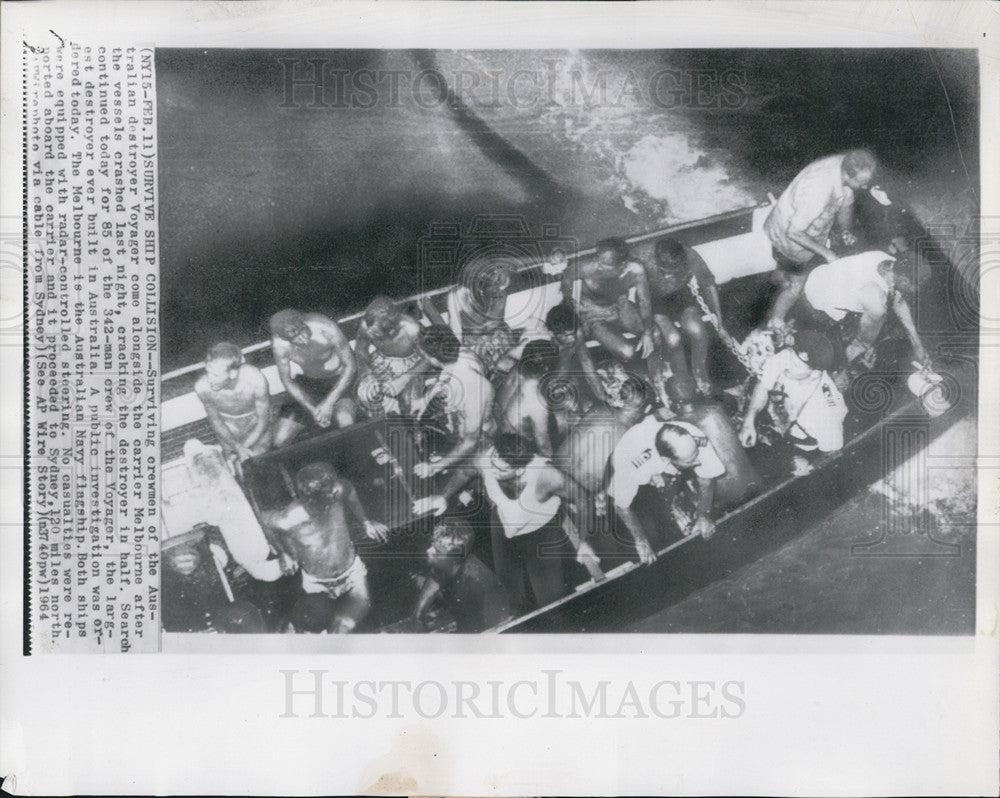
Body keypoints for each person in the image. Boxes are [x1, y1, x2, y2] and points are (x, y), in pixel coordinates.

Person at [479, 433, 602, 613]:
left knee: (552, 602)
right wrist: (442, 496)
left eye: (501, 470)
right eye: (492, 463)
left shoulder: (548, 476)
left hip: (540, 533)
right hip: (503, 526)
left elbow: (583, 500)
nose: (492, 470)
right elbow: (464, 472)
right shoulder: (489, 458)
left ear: (520, 470)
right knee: (511, 599)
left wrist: (584, 542)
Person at [262, 462, 387, 633]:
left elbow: (348, 490)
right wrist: (283, 552)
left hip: (351, 573)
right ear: (307, 497)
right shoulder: (290, 517)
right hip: (317, 584)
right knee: (308, 632)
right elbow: (264, 520)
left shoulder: (337, 491)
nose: (334, 493)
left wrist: (365, 521)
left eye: (333, 489)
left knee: (342, 629)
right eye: (328, 493)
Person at [765, 149, 877, 325]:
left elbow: (846, 200)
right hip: (790, 238)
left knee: (784, 269)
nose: (865, 187)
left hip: (799, 227)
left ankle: (778, 279)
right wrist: (828, 254)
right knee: (796, 285)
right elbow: (793, 232)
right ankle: (776, 321)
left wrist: (845, 231)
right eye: (862, 183)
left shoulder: (846, 163)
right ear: (847, 175)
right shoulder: (818, 191)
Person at [608, 415, 725, 564]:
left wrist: (704, 513)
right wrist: (640, 539)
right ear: (666, 460)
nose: (698, 461)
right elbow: (620, 505)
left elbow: (706, 477)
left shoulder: (693, 436)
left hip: (663, 461)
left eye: (695, 455)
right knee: (652, 530)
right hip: (625, 466)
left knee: (688, 506)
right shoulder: (631, 462)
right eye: (691, 460)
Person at [802, 250, 930, 369]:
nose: (916, 291)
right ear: (905, 281)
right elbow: (861, 342)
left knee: (879, 326)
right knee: (851, 354)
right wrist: (859, 351)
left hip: (820, 274)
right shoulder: (876, 299)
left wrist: (917, 343)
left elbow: (897, 297)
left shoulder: (887, 260)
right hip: (816, 301)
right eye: (916, 287)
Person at [739, 330, 848, 457]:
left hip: (802, 444)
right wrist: (749, 420)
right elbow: (763, 385)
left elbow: (833, 452)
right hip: (779, 418)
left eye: (795, 365)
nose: (786, 366)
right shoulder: (789, 358)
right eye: (790, 357)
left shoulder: (826, 415)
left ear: (815, 374)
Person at [411, 324, 494, 480]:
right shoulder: (459, 355)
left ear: (433, 359)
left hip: (478, 440)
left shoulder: (473, 388)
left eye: (425, 357)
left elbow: (470, 442)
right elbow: (445, 380)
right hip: (459, 423)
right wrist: (424, 400)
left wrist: (434, 467)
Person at [560, 237, 659, 364]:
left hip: (620, 307)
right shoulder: (587, 267)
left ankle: (657, 376)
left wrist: (647, 334)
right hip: (594, 316)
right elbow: (566, 278)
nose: (599, 266)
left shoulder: (636, 271)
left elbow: (645, 302)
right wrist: (571, 302)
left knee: (654, 334)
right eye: (598, 260)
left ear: (623, 265)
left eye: (605, 265)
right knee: (627, 352)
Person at [645, 238, 723, 396]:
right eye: (663, 271)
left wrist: (719, 321)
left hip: (680, 295)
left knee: (697, 329)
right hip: (653, 300)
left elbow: (708, 283)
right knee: (673, 339)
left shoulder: (690, 256)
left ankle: (700, 372)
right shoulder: (642, 255)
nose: (667, 276)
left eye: (672, 272)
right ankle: (681, 377)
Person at [269, 309, 358, 442]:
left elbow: (350, 366)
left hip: (340, 379)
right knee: (279, 439)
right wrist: (312, 409)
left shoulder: (325, 327)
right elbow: (287, 381)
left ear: (305, 323)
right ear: (283, 337)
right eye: (295, 338)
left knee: (345, 421)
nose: (302, 338)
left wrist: (328, 403)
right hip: (311, 383)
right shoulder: (280, 346)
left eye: (302, 331)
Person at [413, 518, 513, 633]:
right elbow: (417, 616)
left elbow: (488, 633)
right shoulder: (443, 565)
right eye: (432, 544)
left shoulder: (476, 583)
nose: (428, 551)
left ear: (454, 559)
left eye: (437, 551)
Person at [194, 342, 273, 473]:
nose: (209, 379)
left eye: (215, 375)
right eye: (208, 372)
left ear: (232, 373)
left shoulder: (255, 379)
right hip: (228, 425)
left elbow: (263, 421)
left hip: (254, 421)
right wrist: (236, 448)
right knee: (236, 467)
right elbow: (216, 421)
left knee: (259, 458)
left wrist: (240, 450)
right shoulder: (202, 387)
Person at [438, 259, 519, 376]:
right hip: (475, 344)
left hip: (501, 339)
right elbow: (456, 332)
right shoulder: (457, 296)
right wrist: (461, 358)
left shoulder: (501, 281)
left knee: (512, 372)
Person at [353, 296, 428, 416]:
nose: (371, 334)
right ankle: (385, 420)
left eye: (377, 335)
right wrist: (367, 374)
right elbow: (361, 350)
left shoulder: (411, 328)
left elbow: (428, 358)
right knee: (367, 393)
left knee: (410, 404)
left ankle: (411, 423)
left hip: (411, 367)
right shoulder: (366, 326)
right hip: (381, 361)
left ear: (392, 329)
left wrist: (403, 380)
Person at [493, 339, 564, 456]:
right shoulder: (535, 399)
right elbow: (543, 446)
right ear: (547, 368)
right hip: (514, 449)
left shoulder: (517, 368)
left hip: (499, 426)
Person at [545, 302, 605, 413]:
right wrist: (567, 351)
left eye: (573, 334)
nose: (572, 339)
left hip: (569, 375)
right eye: (567, 336)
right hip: (552, 382)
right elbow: (554, 386)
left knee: (590, 405)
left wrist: (603, 397)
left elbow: (586, 361)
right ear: (552, 334)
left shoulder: (576, 334)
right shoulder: (543, 344)